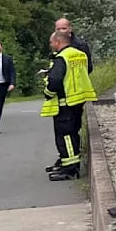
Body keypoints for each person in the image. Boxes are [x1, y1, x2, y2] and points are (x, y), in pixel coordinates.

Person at [41, 30, 97, 180]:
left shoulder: (62, 58)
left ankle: (69, 169)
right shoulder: (80, 54)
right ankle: (69, 165)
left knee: (65, 136)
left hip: (65, 103)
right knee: (72, 134)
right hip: (78, 101)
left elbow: (55, 80)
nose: (51, 45)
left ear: (58, 42)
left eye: (52, 42)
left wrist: (47, 92)